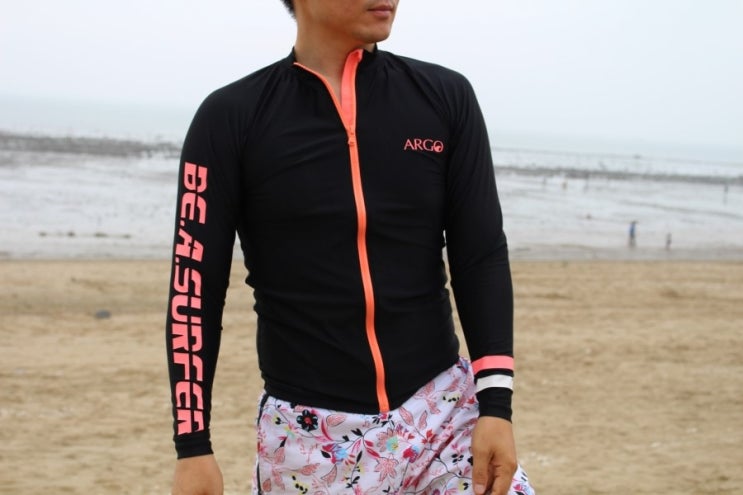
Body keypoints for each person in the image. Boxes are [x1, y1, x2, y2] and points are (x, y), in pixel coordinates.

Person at [166, 1, 535, 494]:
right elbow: (194, 291)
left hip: (441, 414)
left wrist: (496, 407)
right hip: (309, 440)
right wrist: (193, 447)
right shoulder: (232, 117)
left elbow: (480, 255)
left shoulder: (444, 97)